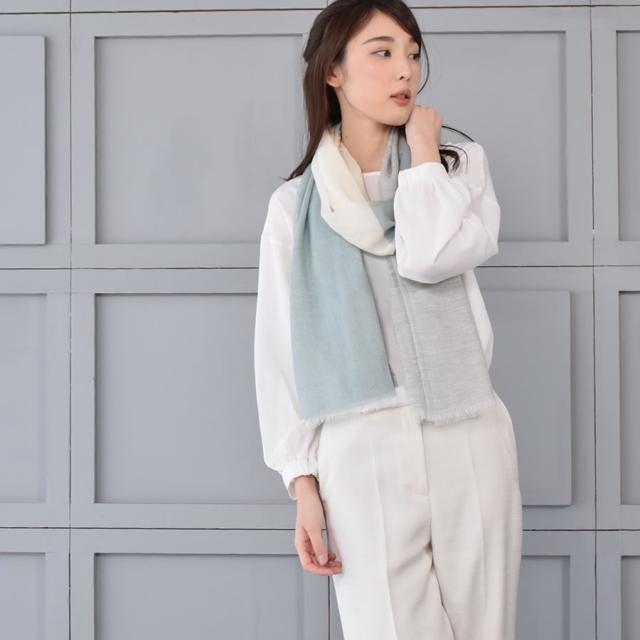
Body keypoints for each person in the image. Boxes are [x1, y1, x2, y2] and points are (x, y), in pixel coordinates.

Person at [254, 1, 522, 638]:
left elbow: (429, 257)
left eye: (412, 53)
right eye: (382, 52)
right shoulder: (293, 207)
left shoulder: (457, 168)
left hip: (466, 424)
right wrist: (303, 484)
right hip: (360, 440)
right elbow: (278, 350)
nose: (405, 69)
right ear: (333, 72)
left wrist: (425, 155)